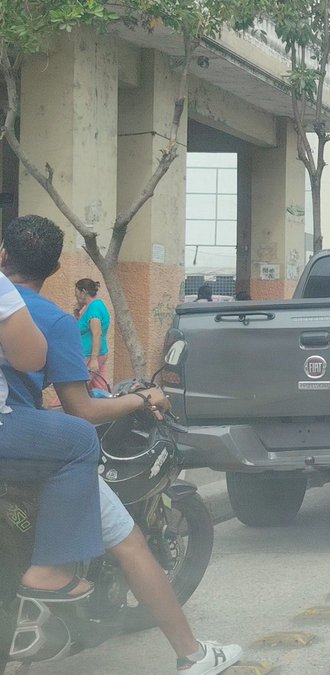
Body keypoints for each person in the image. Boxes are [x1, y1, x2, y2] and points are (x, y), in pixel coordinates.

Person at [1, 215, 242, 674]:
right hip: (27, 445)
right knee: (131, 545)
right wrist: (139, 399)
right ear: (55, 269)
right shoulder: (52, 320)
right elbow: (83, 413)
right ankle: (192, 655)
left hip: (18, 435)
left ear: (4, 255)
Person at [0, 260, 103, 602]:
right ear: (58, 267)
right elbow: (30, 358)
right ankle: (50, 569)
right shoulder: (48, 313)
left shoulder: (88, 310)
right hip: (12, 423)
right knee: (80, 439)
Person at [73, 277, 111, 393]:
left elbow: (97, 333)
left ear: (84, 292)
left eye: (76, 293)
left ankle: (58, 409)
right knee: (100, 389)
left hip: (90, 355)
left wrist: (93, 359)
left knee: (75, 390)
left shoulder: (93, 309)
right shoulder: (94, 305)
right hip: (98, 353)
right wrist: (77, 311)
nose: (76, 296)